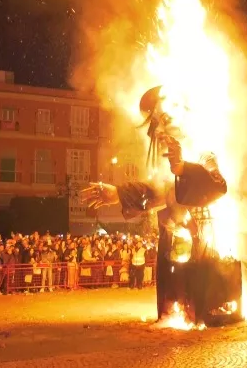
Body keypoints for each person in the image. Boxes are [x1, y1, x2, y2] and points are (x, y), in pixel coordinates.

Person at [81, 85, 228, 323]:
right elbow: (159, 193)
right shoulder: (164, 166)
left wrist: (182, 168)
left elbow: (218, 187)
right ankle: (173, 314)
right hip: (172, 245)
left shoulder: (204, 155)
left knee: (198, 297)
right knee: (171, 294)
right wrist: (119, 193)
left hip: (201, 244)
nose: (159, 130)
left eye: (165, 120)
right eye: (155, 124)